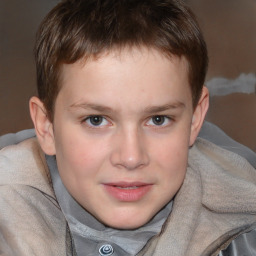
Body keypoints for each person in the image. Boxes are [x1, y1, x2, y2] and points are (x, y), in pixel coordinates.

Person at [0, 0, 255, 255]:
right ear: (46, 127)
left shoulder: (244, 236)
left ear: (195, 119)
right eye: (96, 120)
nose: (131, 157)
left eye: (158, 119)